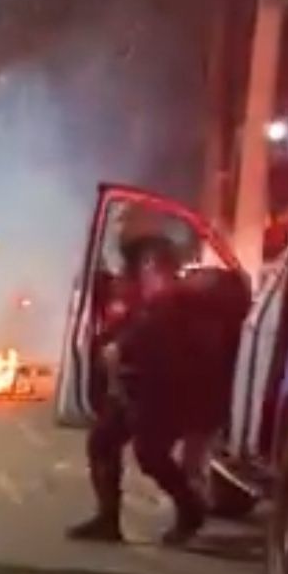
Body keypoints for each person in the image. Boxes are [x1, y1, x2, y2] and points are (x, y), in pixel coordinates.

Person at [69, 232, 209, 546]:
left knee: (150, 455)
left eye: (146, 265)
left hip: (161, 392)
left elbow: (153, 337)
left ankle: (191, 509)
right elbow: (133, 328)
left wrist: (121, 347)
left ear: (155, 266)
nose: (140, 273)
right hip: (136, 388)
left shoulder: (172, 300)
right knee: (103, 442)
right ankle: (107, 519)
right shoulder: (152, 301)